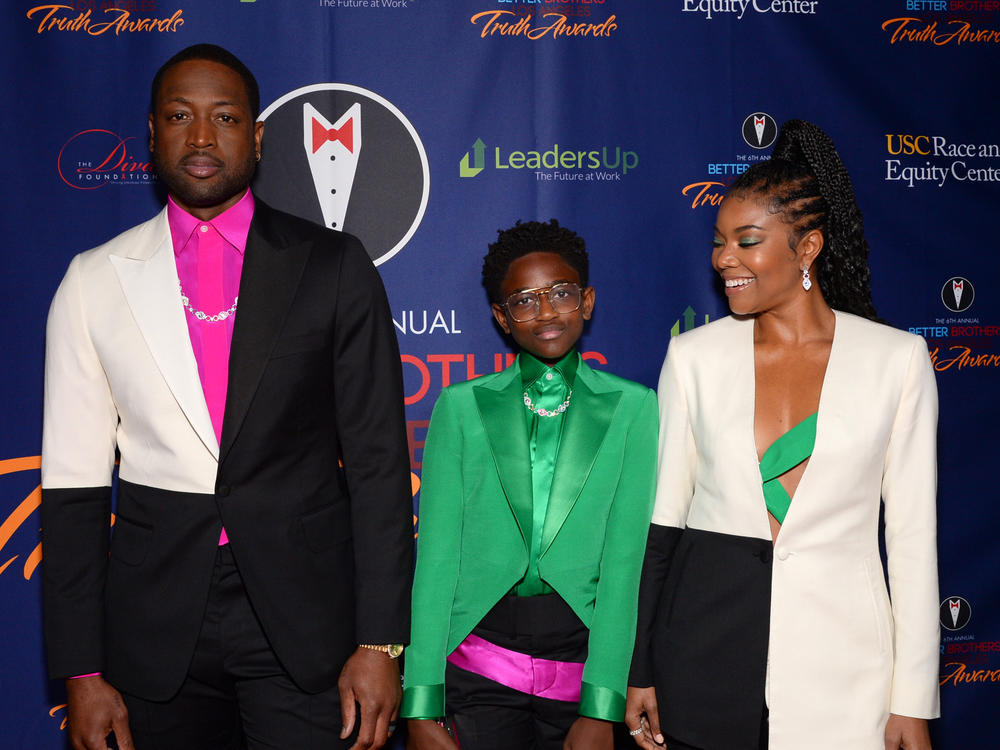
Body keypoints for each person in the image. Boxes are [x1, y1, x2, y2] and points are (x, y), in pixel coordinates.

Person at [41, 44, 413, 750]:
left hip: (308, 625)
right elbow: (72, 493)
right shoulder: (92, 281)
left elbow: (378, 471)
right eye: (181, 116)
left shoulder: (334, 267)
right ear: (152, 133)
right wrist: (81, 671)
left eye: (226, 117)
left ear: (259, 135)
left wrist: (383, 644)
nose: (203, 137)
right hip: (153, 630)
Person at [626, 120, 939, 750]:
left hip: (848, 677)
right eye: (719, 243)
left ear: (808, 247)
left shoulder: (896, 361)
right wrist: (640, 671)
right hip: (705, 661)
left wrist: (912, 700)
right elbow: (661, 528)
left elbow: (910, 541)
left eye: (747, 241)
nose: (724, 260)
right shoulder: (693, 358)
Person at [401, 220, 658, 750]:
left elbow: (625, 563)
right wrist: (421, 700)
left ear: (587, 301)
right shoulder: (461, 406)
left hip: (582, 663)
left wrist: (602, 704)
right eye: (524, 300)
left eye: (561, 293)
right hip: (478, 663)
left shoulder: (636, 408)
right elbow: (437, 560)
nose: (545, 312)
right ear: (501, 317)